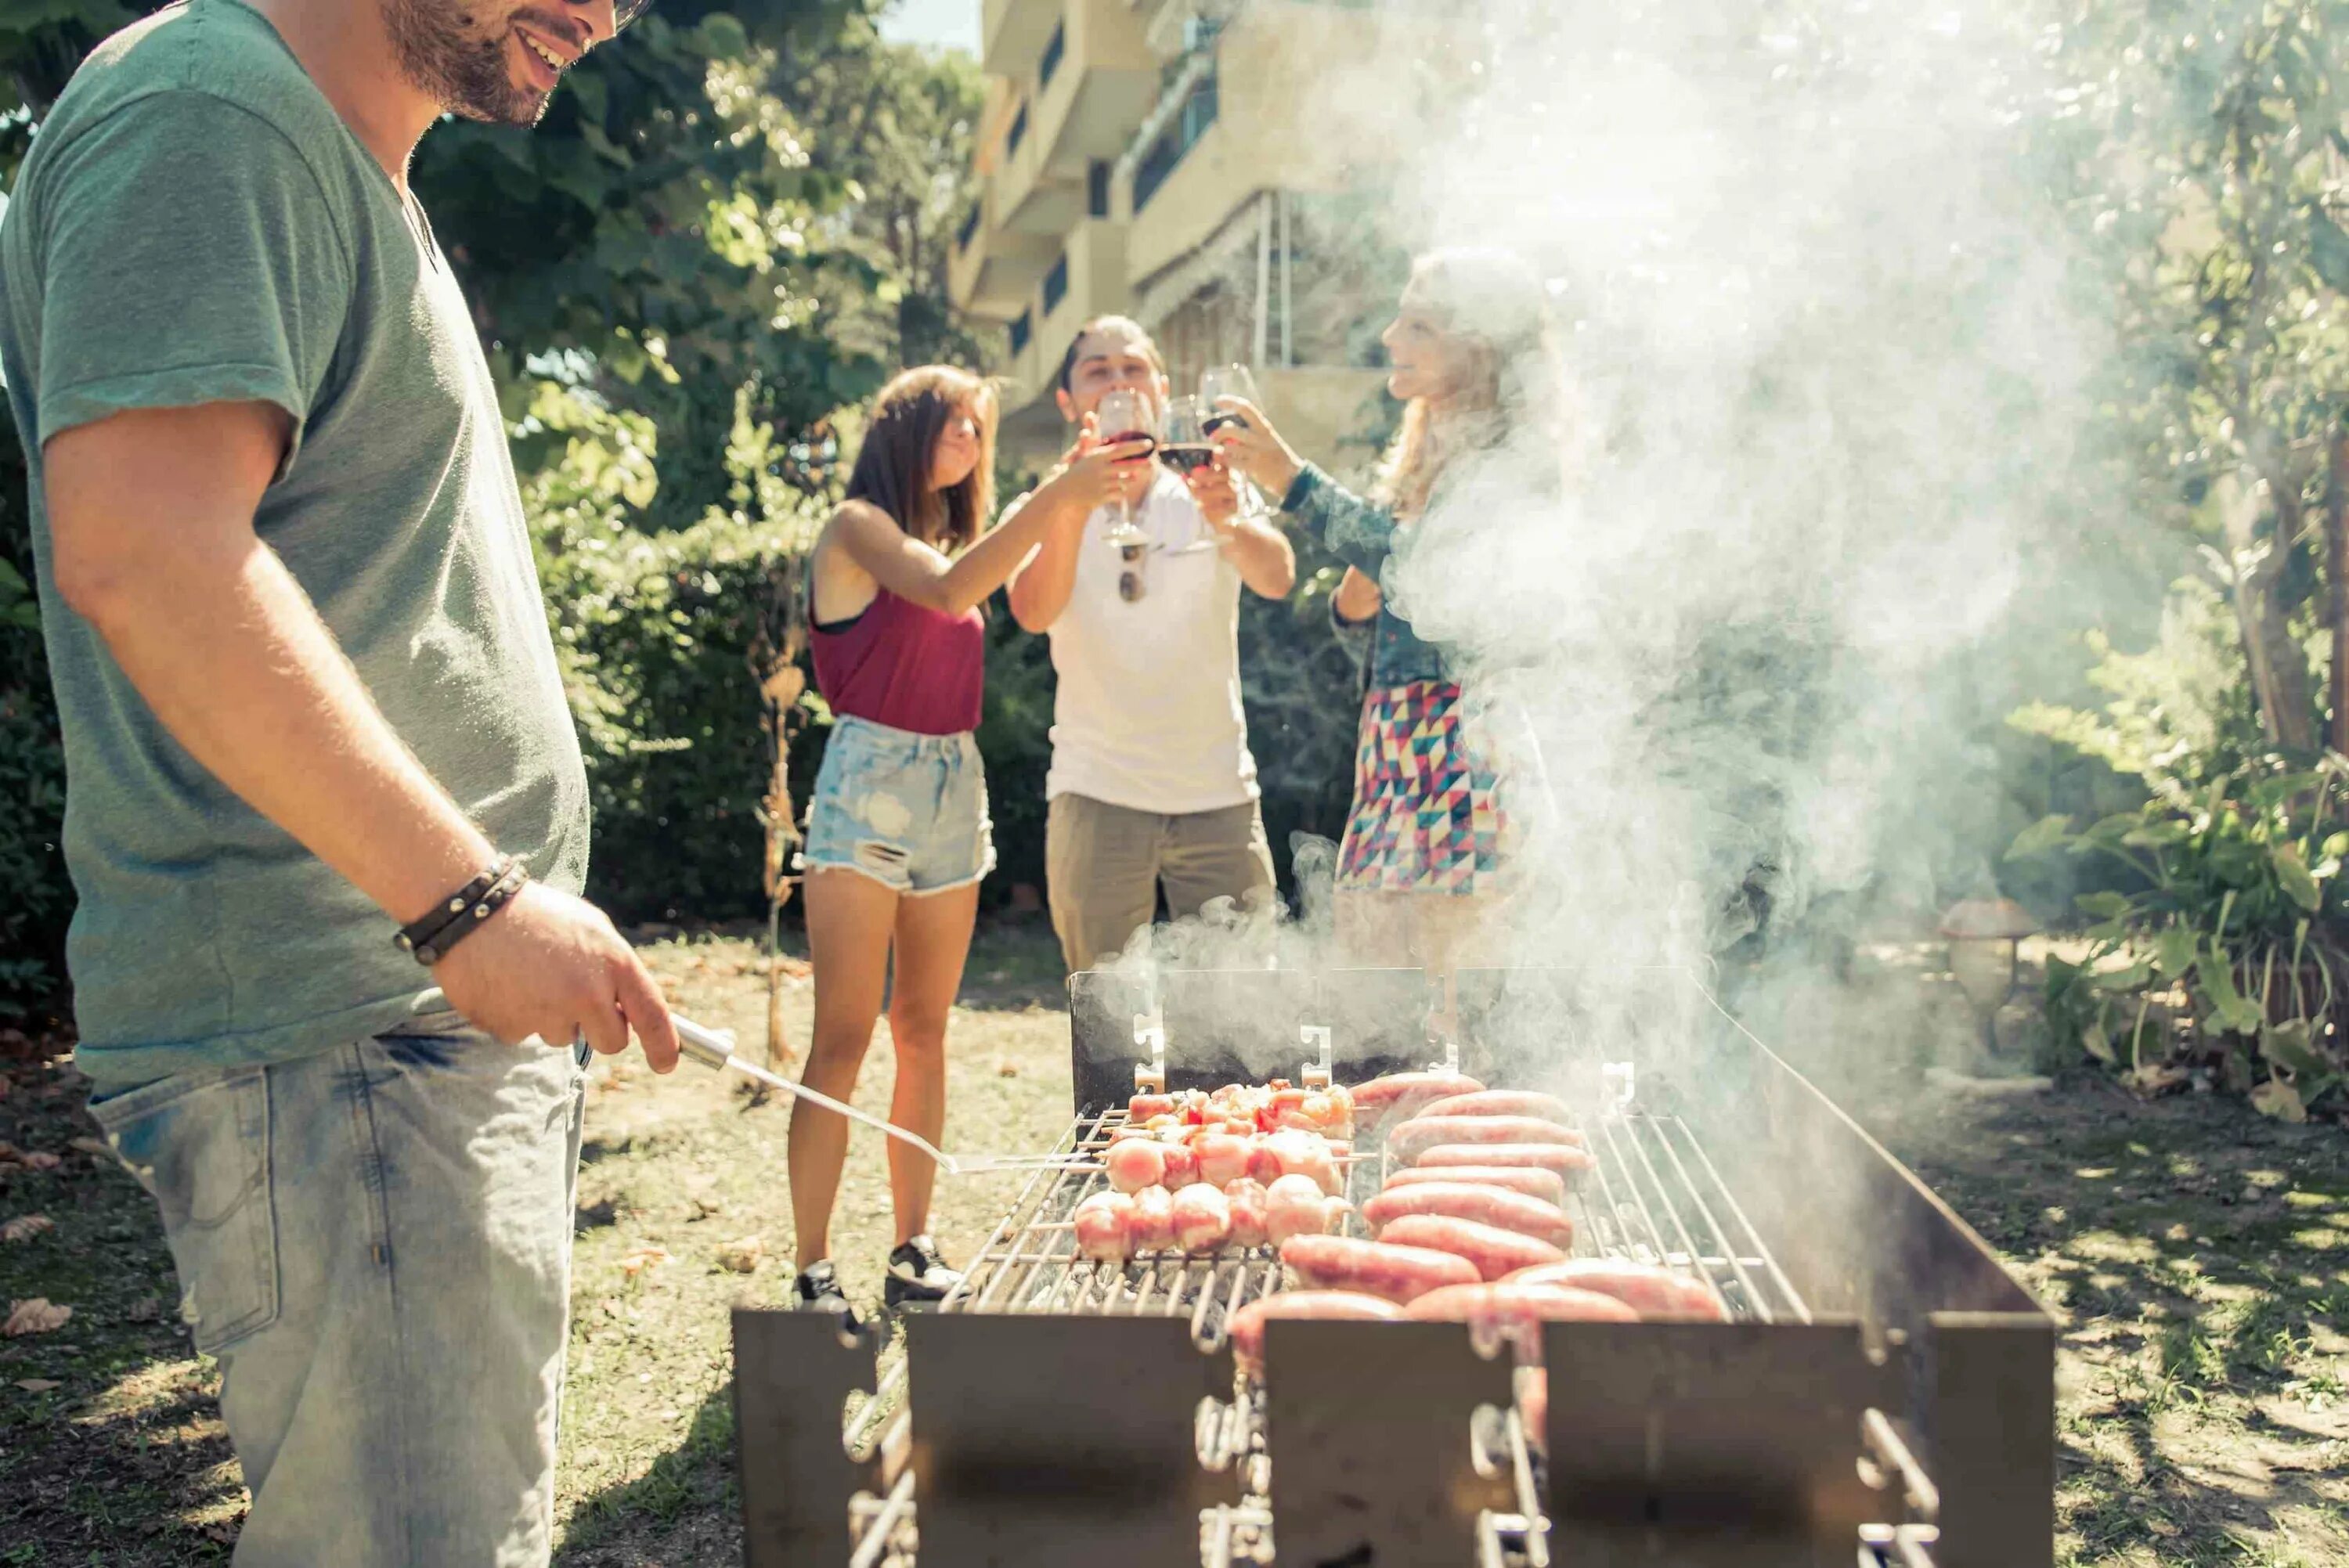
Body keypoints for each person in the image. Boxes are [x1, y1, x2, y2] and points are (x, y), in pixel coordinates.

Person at [0, 0, 678, 1563]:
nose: (611, 7)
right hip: (349, 1041)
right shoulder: (212, 111)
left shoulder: (334, 153)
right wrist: (466, 898)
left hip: (391, 1040)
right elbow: (150, 553)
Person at [788, 367, 1146, 1326]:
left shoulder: (949, 541)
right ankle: (815, 1269)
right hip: (868, 785)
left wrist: (1067, 503)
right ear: (907, 426)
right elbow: (949, 594)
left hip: (954, 784)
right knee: (843, 1037)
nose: (972, 445)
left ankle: (914, 1250)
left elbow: (1011, 589)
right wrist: (1055, 494)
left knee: (925, 1031)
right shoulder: (858, 526)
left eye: (982, 431)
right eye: (958, 425)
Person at [1211, 249, 1555, 996]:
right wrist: (1352, 611)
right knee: (1376, 991)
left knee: (1454, 997)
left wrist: (1293, 481)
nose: (1390, 336)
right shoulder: (1426, 449)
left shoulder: (1511, 463)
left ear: (1479, 346)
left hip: (1466, 738)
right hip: (1394, 735)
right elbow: (1395, 604)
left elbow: (1435, 583)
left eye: (1418, 325)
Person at [1005, 317, 1298, 975]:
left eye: (1133, 369)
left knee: (1240, 1029)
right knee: (1105, 1031)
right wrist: (1075, 501)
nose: (1118, 383)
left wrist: (1227, 517)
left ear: (1161, 392)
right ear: (1068, 401)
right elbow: (1032, 610)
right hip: (1096, 793)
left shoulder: (1209, 486)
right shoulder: (1045, 504)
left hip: (1218, 792)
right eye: (1098, 371)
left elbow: (1277, 576)